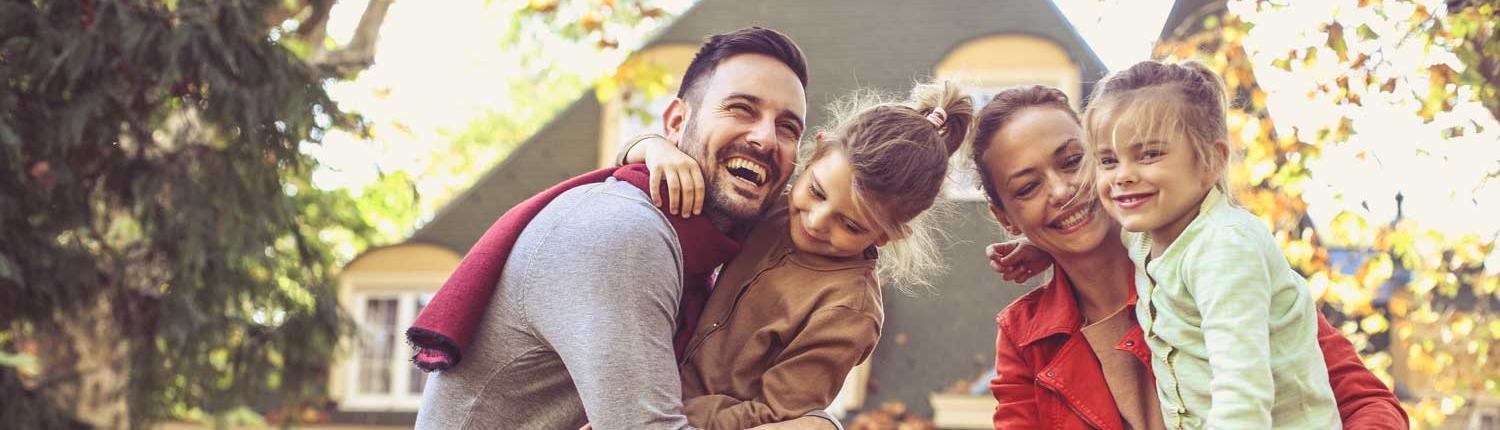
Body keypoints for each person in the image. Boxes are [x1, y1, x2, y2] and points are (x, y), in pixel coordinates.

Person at [406, 27, 836, 430]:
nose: (764, 138)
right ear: (674, 124)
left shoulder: (706, 254)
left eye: (787, 128)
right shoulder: (625, 233)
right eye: (741, 108)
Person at [976, 83, 1408, 430]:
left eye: (1074, 161)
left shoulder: (1219, 261)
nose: (1062, 190)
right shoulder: (1024, 338)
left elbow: (1366, 403)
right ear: (1005, 217)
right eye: (1027, 188)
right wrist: (1047, 245)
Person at [618, 80, 973, 429]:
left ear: (885, 235)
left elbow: (776, 414)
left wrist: (663, 415)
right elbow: (639, 170)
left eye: (850, 225)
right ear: (813, 155)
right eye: (817, 192)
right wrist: (653, 147)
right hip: (640, 389)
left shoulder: (848, 312)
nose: (816, 222)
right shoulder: (770, 207)